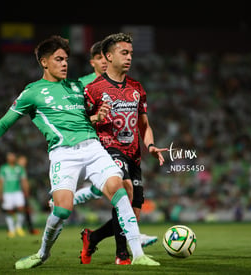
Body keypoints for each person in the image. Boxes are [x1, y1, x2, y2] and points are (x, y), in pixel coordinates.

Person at [0, 35, 160, 269]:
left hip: (93, 148)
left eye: (66, 59)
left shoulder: (76, 86)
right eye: (59, 59)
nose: (64, 64)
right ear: (44, 62)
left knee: (120, 191)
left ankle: (138, 254)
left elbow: (95, 98)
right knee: (62, 210)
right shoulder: (32, 92)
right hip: (63, 154)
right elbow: (3, 124)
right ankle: (42, 253)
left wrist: (96, 115)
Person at [79, 33, 168, 265]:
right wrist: (96, 117)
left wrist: (150, 145)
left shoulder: (136, 87)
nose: (129, 57)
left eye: (131, 53)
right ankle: (122, 256)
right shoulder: (93, 89)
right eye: (124, 53)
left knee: (132, 216)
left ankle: (93, 237)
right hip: (108, 150)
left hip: (134, 155)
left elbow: (145, 124)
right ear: (108, 56)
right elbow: (80, 123)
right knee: (125, 191)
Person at [0, 152, 28, 238]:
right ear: (7, 158)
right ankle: (11, 230)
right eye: (11, 156)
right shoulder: (3, 168)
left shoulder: (19, 168)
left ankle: (19, 227)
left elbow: (23, 180)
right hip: (7, 192)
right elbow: (0, 181)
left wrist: (26, 190)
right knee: (9, 211)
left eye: (13, 156)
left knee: (21, 208)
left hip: (18, 191)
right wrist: (0, 193)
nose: (12, 158)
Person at [17, 155, 39, 235]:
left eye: (25, 162)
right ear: (18, 161)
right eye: (22, 161)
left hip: (22, 193)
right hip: (18, 193)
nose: (24, 163)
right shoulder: (18, 170)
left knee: (26, 211)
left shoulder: (21, 170)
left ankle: (28, 228)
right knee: (22, 210)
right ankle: (19, 228)